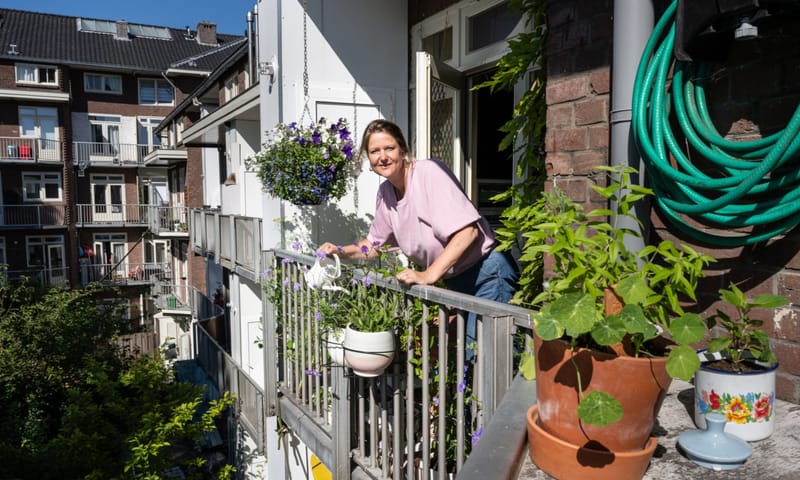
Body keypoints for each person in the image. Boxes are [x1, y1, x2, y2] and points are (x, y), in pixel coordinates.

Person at [317, 119, 518, 333]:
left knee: (484, 357)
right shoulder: (385, 193)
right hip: (457, 281)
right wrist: (338, 251)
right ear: (369, 158)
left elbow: (468, 232)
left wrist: (428, 275)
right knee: (467, 357)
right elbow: (374, 245)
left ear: (402, 150)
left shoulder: (428, 173)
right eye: (375, 151)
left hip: (486, 274)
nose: (383, 157)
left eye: (389, 148)